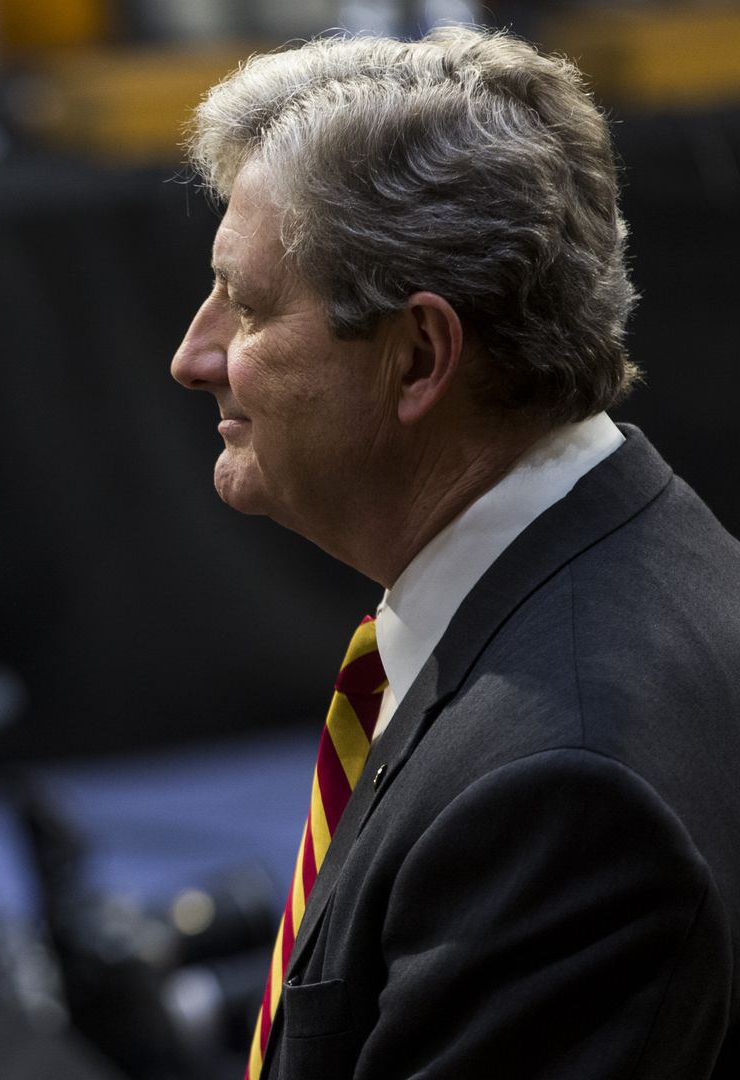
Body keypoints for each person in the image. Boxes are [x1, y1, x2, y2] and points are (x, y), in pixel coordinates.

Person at [171, 27, 740, 1080]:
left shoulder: (560, 793)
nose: (192, 354)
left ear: (421, 356)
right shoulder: (639, 551)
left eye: (246, 305)